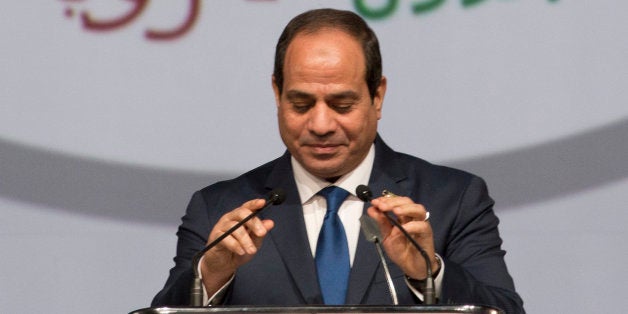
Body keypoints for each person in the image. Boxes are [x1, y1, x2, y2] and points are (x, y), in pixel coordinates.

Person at [152, 8, 525, 313]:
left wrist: (430, 273)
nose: (320, 124)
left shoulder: (452, 199)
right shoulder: (220, 209)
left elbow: (505, 311)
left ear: (377, 96)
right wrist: (211, 275)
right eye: (300, 104)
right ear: (276, 93)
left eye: (341, 105)